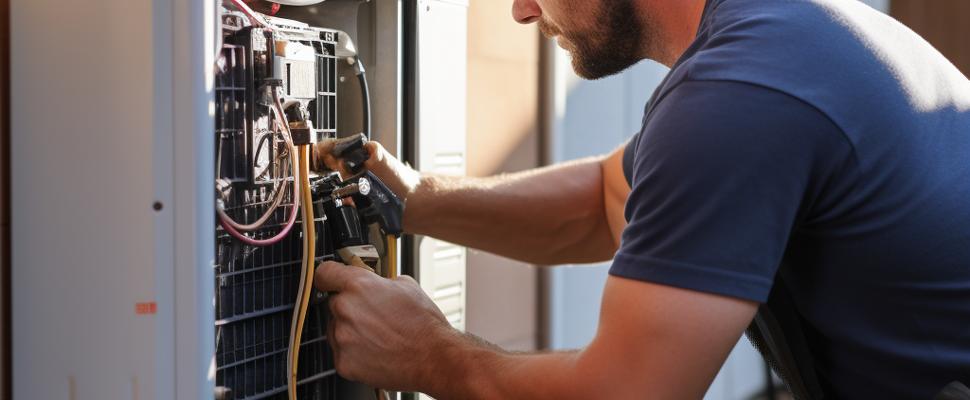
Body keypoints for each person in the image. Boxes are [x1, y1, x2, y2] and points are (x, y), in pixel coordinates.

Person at [312, 0, 970, 398]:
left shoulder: (744, 91)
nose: (521, 11)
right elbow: (604, 200)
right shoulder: (781, 38)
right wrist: (417, 197)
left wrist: (431, 355)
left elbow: (629, 394)